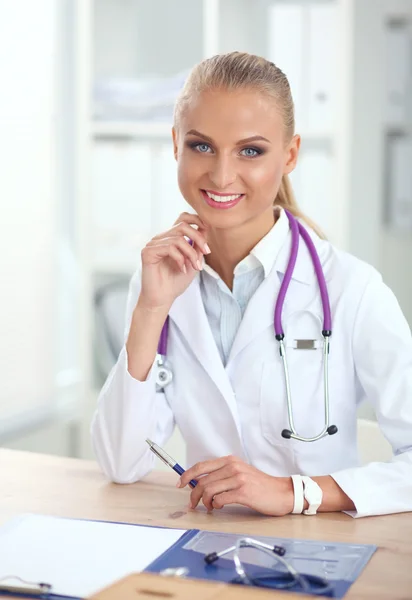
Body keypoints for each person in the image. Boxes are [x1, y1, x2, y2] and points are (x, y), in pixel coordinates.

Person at [91, 52, 412, 518]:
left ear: (290, 154)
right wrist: (149, 310)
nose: (222, 175)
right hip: (206, 542)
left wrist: (292, 492)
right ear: (176, 143)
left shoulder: (353, 290)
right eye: (202, 146)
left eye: (251, 151)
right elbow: (122, 462)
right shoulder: (159, 281)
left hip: (318, 553)